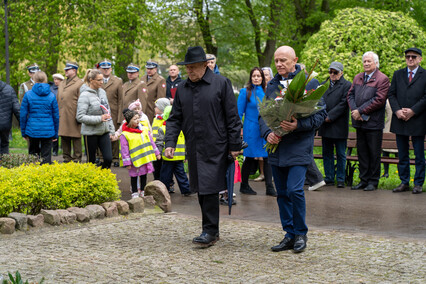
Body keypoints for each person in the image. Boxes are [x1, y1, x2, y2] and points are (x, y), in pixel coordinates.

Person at [164, 46, 241, 247]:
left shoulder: (221, 83)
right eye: (187, 68)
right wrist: (170, 142)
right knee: (200, 188)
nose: (189, 71)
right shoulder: (182, 88)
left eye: (194, 67)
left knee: (209, 188)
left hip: (217, 145)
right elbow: (175, 119)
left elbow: (232, 117)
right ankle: (210, 231)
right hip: (194, 145)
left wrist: (234, 145)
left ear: (205, 65)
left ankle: (210, 231)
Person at [261, 45, 327, 253]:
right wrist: (267, 134)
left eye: (283, 60)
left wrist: (298, 125)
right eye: (276, 61)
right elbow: (263, 114)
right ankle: (289, 234)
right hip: (277, 147)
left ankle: (300, 233)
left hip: (299, 146)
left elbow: (319, 116)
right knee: (281, 193)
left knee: (295, 190)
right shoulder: (271, 85)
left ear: (295, 60)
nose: (279, 64)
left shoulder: (309, 83)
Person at [347, 51, 390, 191]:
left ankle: (373, 181)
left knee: (373, 153)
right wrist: (355, 111)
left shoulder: (382, 79)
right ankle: (363, 180)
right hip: (359, 122)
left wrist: (361, 111)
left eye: (369, 61)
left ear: (376, 63)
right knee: (362, 153)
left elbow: (379, 100)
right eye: (364, 61)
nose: (366, 63)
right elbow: (350, 95)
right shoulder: (358, 77)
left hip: (373, 123)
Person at [388, 47, 426, 194]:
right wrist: (397, 110)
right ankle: (404, 182)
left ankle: (418, 183)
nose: (410, 59)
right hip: (400, 119)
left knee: (418, 154)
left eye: (413, 57)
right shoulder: (398, 74)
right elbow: (391, 94)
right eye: (408, 56)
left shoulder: (425, 74)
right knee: (402, 154)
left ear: (420, 59)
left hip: (418, 120)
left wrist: (413, 111)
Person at [237, 67, 276, 196]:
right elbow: (238, 113)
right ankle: (244, 185)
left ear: (263, 78)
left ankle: (269, 187)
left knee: (267, 156)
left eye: (259, 76)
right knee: (249, 156)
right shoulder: (245, 92)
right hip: (251, 129)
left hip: (265, 128)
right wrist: (237, 130)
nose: (256, 78)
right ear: (251, 78)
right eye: (254, 76)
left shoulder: (268, 91)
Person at [318, 62, 352, 188]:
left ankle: (341, 179)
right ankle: (329, 178)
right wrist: (323, 116)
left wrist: (330, 116)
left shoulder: (347, 85)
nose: (332, 74)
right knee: (327, 153)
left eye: (335, 72)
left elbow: (343, 104)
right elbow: (318, 101)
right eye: (330, 72)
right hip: (325, 125)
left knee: (341, 154)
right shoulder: (323, 84)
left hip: (339, 125)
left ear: (341, 73)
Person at [76, 69, 115, 169]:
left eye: (102, 80)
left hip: (104, 131)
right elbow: (80, 117)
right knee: (91, 162)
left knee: (108, 159)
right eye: (99, 80)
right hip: (90, 133)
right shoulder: (84, 95)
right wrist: (99, 118)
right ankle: (92, 181)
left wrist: (112, 130)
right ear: (91, 80)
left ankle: (102, 178)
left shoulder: (102, 92)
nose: (102, 82)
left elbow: (107, 111)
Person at [20, 71, 59, 164]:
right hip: (48, 130)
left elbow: (23, 115)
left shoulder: (28, 95)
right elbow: (56, 116)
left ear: (34, 79)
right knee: (46, 158)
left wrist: (23, 132)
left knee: (33, 157)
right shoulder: (51, 95)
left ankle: (33, 176)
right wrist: (55, 133)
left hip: (32, 129)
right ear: (45, 80)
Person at [120, 109, 161, 198]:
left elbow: (151, 142)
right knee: (134, 176)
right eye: (135, 119)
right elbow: (124, 150)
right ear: (129, 121)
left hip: (144, 158)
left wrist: (157, 153)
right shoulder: (125, 134)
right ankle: (134, 192)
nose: (138, 120)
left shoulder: (145, 130)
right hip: (134, 160)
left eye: (138, 118)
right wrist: (127, 163)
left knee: (143, 174)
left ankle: (142, 190)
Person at [160, 105, 192, 196]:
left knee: (182, 175)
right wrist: (158, 152)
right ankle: (163, 190)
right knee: (166, 176)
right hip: (168, 158)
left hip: (179, 158)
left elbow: (185, 143)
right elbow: (160, 142)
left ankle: (186, 190)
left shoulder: (182, 129)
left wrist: (185, 155)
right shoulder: (163, 128)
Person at [57, 61, 84, 163]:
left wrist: (80, 114)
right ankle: (66, 157)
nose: (66, 71)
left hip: (73, 113)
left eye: (68, 69)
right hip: (62, 113)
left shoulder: (80, 83)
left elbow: (82, 100)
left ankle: (77, 158)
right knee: (64, 136)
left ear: (74, 70)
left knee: (76, 136)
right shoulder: (63, 82)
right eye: (65, 69)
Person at [99, 59, 123, 167]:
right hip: (99, 111)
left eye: (107, 68)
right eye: (103, 69)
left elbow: (120, 100)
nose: (105, 71)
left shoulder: (117, 81)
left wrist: (119, 117)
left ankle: (115, 158)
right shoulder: (97, 80)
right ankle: (101, 157)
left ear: (111, 69)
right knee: (100, 134)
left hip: (113, 111)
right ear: (100, 69)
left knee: (113, 136)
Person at [151, 98, 171, 182]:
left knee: (166, 167)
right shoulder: (155, 118)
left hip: (163, 146)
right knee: (156, 165)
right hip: (155, 146)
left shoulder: (167, 119)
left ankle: (168, 182)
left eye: (156, 107)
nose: (155, 108)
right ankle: (157, 180)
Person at [0, 80, 20, 155]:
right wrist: (23, 125)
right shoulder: (9, 89)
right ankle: (4, 164)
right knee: (4, 145)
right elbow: (17, 109)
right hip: (5, 124)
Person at [50, 73, 64, 156]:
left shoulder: (64, 88)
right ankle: (55, 150)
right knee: (55, 131)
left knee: (64, 131)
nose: (55, 81)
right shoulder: (51, 89)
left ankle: (63, 147)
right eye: (54, 79)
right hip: (54, 112)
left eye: (57, 79)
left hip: (63, 112)